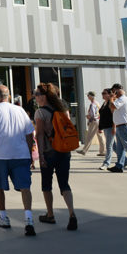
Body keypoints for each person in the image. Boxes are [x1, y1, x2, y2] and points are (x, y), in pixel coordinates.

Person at [0, 84, 36, 236]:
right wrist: (30, 153)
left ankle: (4, 217)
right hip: (21, 154)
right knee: (25, 187)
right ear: (9, 97)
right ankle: (29, 219)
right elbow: (30, 133)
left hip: (0, 155)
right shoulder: (20, 110)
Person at [33, 83, 77, 230]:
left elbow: (39, 135)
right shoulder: (62, 108)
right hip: (64, 150)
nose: (35, 97)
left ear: (44, 96)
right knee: (64, 184)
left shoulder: (40, 113)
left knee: (46, 185)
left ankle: (50, 214)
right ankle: (71, 213)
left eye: (37, 94)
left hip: (49, 151)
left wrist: (40, 156)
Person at [77, 91, 104, 156]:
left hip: (94, 121)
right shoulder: (97, 103)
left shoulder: (92, 104)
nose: (87, 97)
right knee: (100, 136)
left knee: (89, 136)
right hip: (98, 120)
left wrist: (88, 118)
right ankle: (102, 151)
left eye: (88, 96)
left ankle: (84, 150)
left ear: (91, 96)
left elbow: (92, 115)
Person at [97, 88, 116, 169]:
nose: (103, 95)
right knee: (114, 146)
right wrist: (100, 127)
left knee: (108, 145)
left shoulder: (111, 103)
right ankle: (125, 160)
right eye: (102, 93)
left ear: (109, 94)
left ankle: (106, 163)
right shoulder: (104, 103)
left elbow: (114, 116)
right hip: (105, 127)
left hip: (110, 127)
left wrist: (114, 127)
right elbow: (102, 116)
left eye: (104, 93)